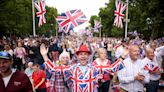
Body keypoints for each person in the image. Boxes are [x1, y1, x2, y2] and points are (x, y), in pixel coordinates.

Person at [40, 44, 110, 92]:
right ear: (77, 56)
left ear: (88, 56)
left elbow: (112, 69)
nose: (83, 56)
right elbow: (53, 69)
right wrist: (44, 56)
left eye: (85, 54)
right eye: (81, 54)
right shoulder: (72, 68)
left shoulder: (94, 68)